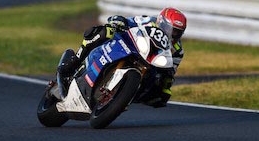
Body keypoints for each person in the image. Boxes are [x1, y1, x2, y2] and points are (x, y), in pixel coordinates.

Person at [57, 7, 187, 108]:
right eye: (171, 29)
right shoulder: (149, 21)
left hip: (150, 62)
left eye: (177, 32)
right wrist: (118, 21)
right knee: (105, 32)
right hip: (131, 46)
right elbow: (130, 21)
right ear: (161, 22)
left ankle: (121, 97)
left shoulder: (177, 50)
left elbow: (171, 72)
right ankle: (74, 61)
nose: (172, 34)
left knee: (158, 86)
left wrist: (165, 89)